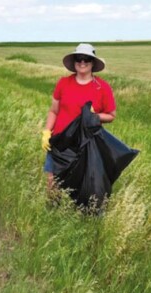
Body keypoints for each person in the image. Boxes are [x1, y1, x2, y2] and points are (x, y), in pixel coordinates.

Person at [41, 43, 116, 190]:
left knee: (82, 184)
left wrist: (95, 116)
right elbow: (53, 111)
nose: (82, 62)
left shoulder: (102, 87)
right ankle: (53, 210)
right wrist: (46, 131)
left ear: (92, 63)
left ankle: (79, 211)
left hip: (85, 144)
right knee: (53, 182)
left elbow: (111, 116)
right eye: (78, 58)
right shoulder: (63, 83)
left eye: (86, 59)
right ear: (74, 62)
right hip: (60, 141)